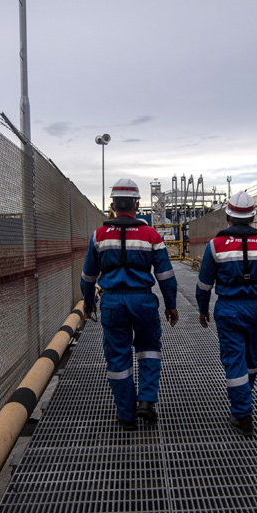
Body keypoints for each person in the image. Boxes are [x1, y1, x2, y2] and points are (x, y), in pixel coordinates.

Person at [81, 178, 179, 431]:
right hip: (143, 300)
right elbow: (166, 275)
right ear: (137, 204)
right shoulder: (151, 234)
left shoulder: (99, 235)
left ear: (113, 204)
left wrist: (89, 302)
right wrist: (171, 305)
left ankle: (126, 415)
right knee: (149, 349)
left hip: (112, 301)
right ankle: (146, 402)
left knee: (118, 357)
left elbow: (88, 276)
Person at [195, 191, 257, 437]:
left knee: (234, 359)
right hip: (256, 309)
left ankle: (243, 413)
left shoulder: (216, 245)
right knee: (252, 357)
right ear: (253, 217)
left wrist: (203, 309)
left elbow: (204, 284)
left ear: (228, 216)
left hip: (228, 309)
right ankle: (244, 397)